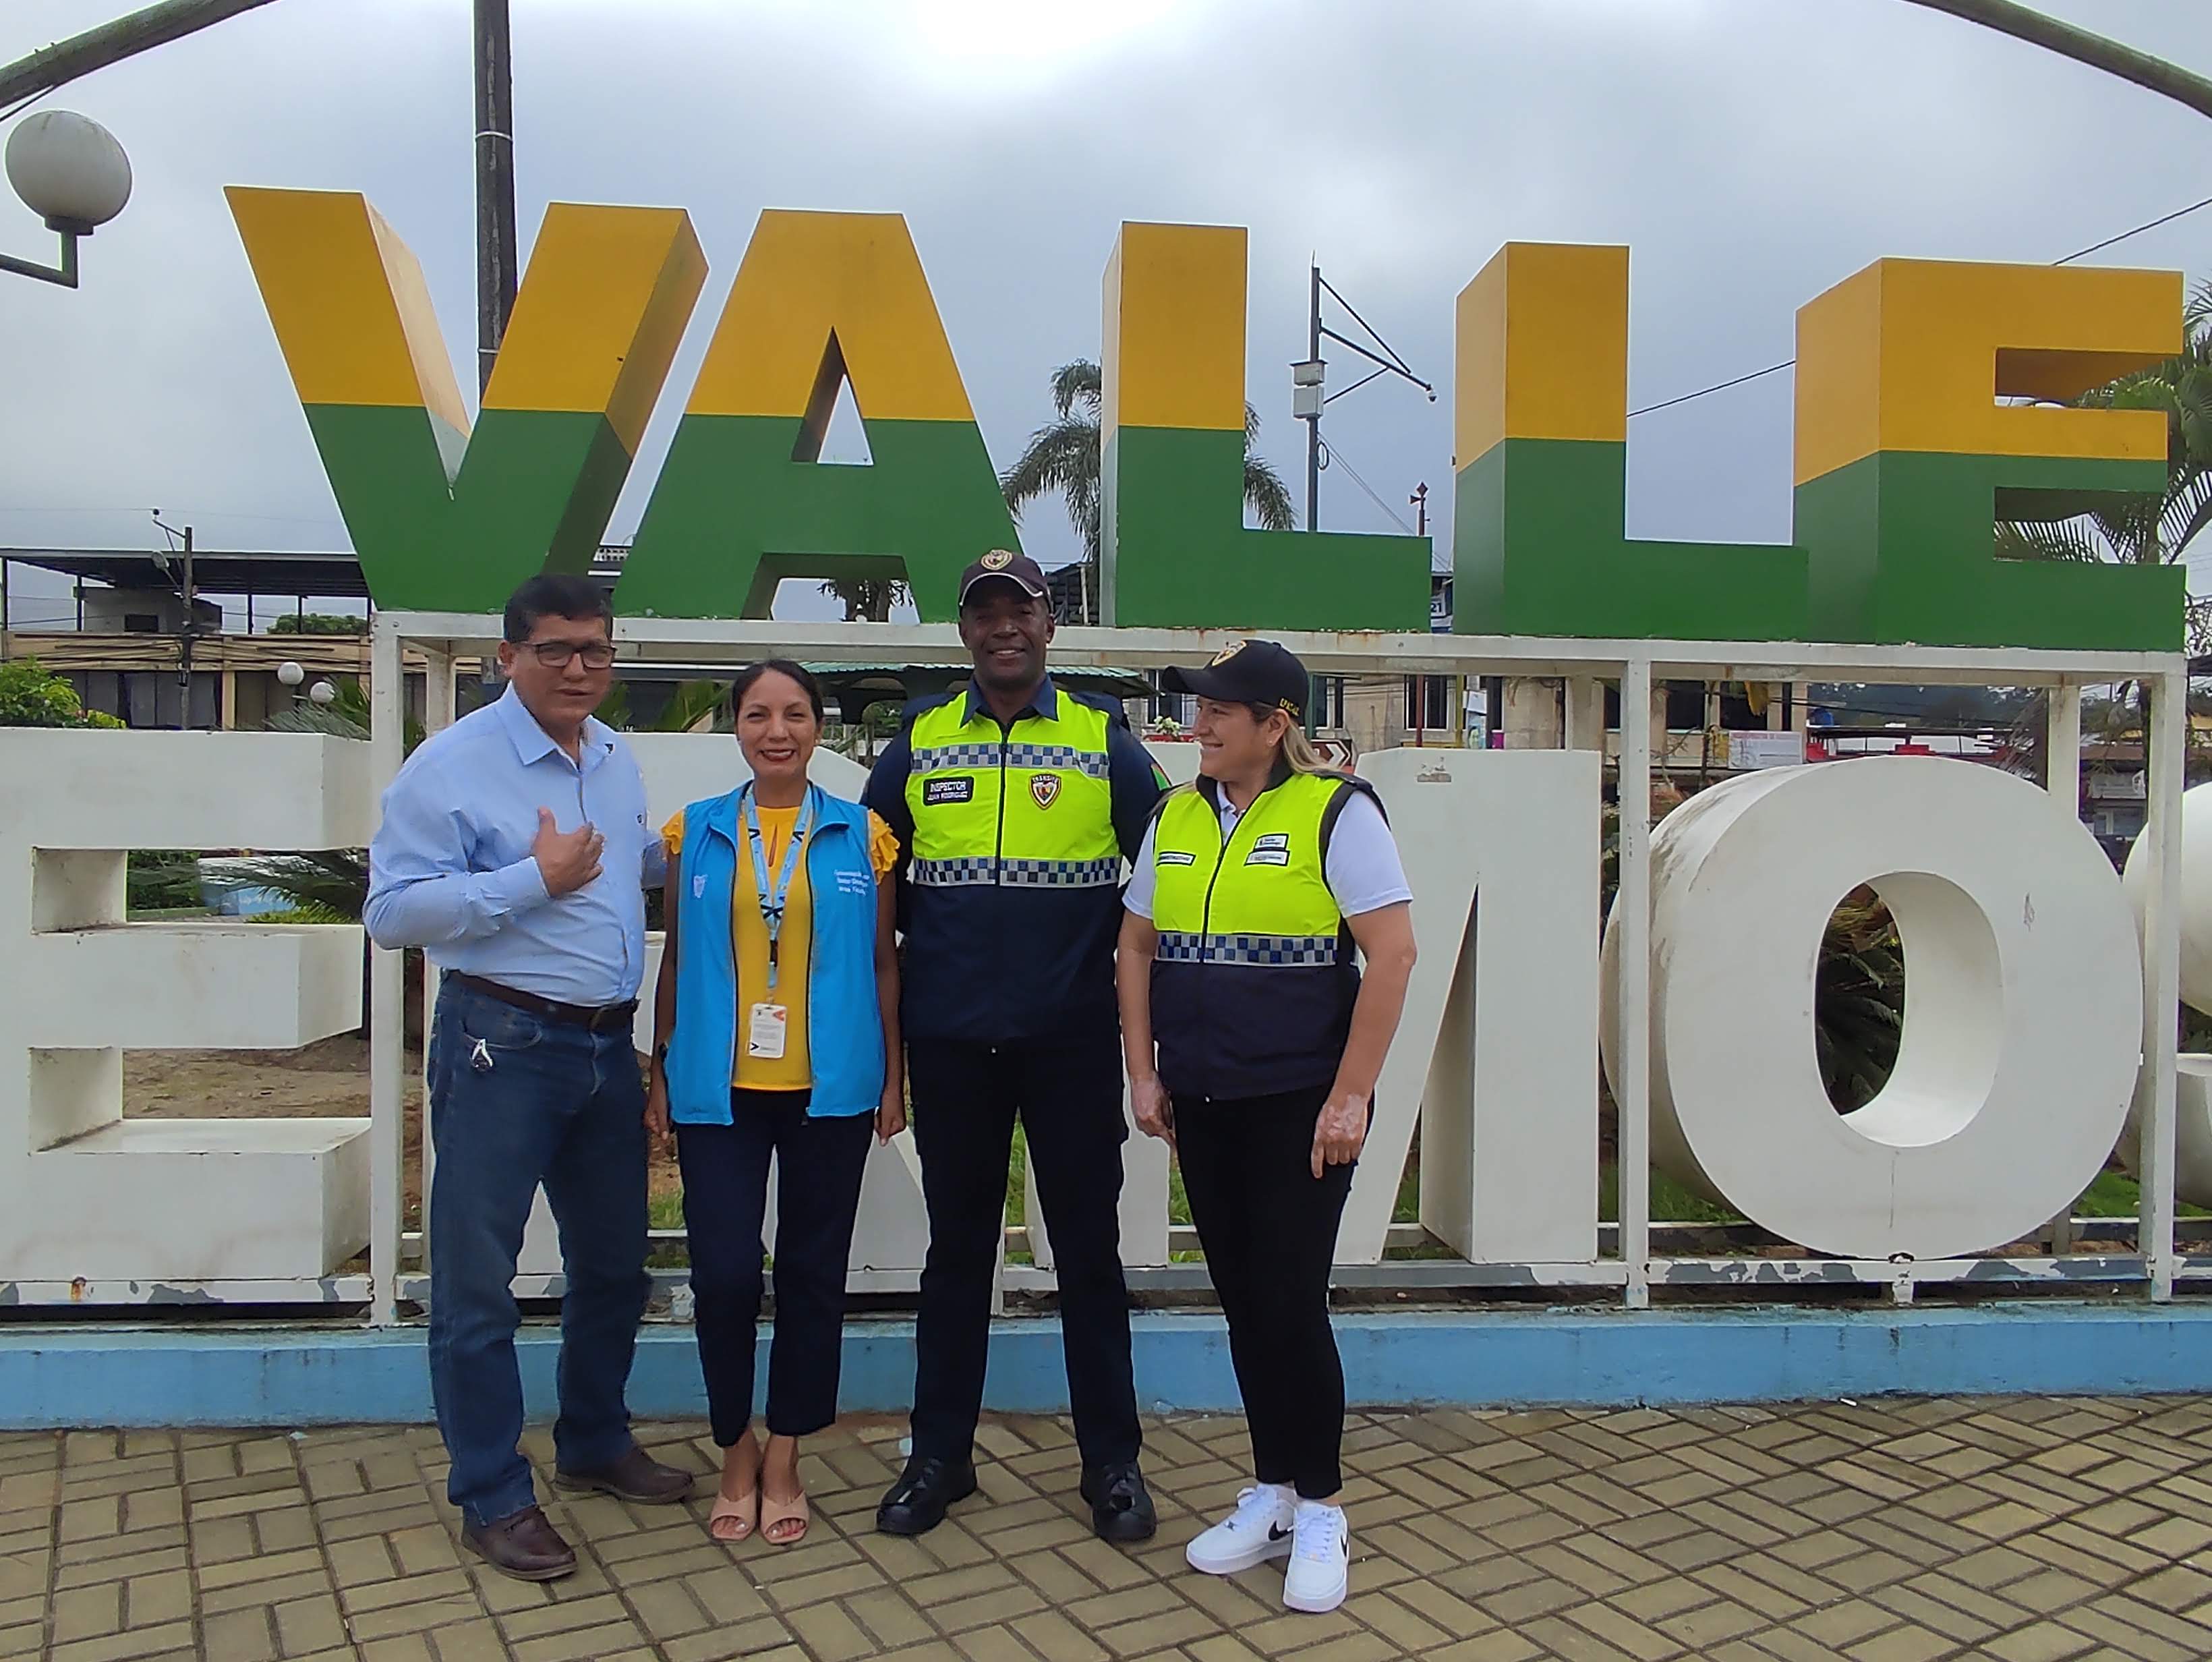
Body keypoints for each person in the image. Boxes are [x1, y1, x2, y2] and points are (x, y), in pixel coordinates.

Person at [364, 573, 692, 1582]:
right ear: (508, 658)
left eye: (596, 649)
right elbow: (391, 912)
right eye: (555, 649)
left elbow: (628, 864)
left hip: (604, 1048)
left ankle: (592, 1440)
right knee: (477, 1284)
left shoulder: (613, 757)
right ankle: (493, 1495)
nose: (578, 668)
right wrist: (528, 882)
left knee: (614, 1266)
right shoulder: (450, 766)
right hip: (498, 1046)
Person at [863, 549, 1164, 1543]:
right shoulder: (919, 739)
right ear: (964, 631)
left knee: (1087, 1256)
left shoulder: (1102, 737)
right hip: (952, 1045)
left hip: (1070, 1044)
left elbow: (1164, 872)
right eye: (985, 612)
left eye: (1021, 610)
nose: (1004, 627)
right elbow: (866, 879)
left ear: (1048, 625)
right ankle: (940, 1458)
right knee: (956, 1256)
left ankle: (1112, 1465)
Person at [1115, 639, 1418, 1615]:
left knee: (1289, 1303)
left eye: (1219, 711)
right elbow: (1136, 944)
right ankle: (1276, 1491)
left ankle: (1323, 1505)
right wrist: (1144, 1070)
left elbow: (1394, 954)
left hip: (1300, 1106)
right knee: (1246, 1303)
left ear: (1275, 724)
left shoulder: (1337, 811)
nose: (1199, 725)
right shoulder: (1175, 815)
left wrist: (1351, 1095)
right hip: (1203, 1102)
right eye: (1197, 708)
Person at [645, 661, 906, 1546]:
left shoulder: (863, 835)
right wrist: (659, 1070)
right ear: (738, 728)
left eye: (795, 714)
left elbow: (884, 964)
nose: (777, 731)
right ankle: (735, 1446)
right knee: (722, 1275)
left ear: (818, 728)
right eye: (759, 714)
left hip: (831, 1087)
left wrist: (893, 1077)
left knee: (810, 1273)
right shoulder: (696, 832)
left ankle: (787, 1451)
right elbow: (677, 958)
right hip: (717, 1088)